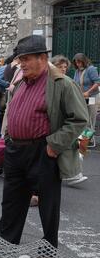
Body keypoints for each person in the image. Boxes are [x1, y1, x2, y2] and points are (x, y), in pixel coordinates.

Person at [0, 35, 89, 248]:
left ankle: (48, 248)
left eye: (26, 59)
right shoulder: (21, 82)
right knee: (11, 201)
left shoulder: (62, 83)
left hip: (42, 150)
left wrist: (54, 145)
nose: (21, 64)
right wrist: (9, 138)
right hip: (15, 150)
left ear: (42, 58)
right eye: (20, 59)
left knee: (47, 205)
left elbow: (78, 119)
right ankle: (6, 243)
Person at [51, 55, 88, 186]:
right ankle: (73, 173)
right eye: (60, 67)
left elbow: (78, 117)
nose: (63, 69)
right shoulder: (55, 82)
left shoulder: (67, 82)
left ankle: (74, 173)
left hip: (70, 120)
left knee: (74, 143)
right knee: (68, 146)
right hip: (61, 122)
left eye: (65, 67)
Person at [72, 53, 99, 147]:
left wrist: (88, 92)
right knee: (83, 117)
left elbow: (97, 82)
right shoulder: (77, 71)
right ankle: (84, 139)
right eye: (76, 62)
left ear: (84, 61)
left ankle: (86, 140)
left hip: (91, 97)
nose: (78, 64)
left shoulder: (91, 69)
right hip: (82, 97)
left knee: (90, 118)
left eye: (80, 62)